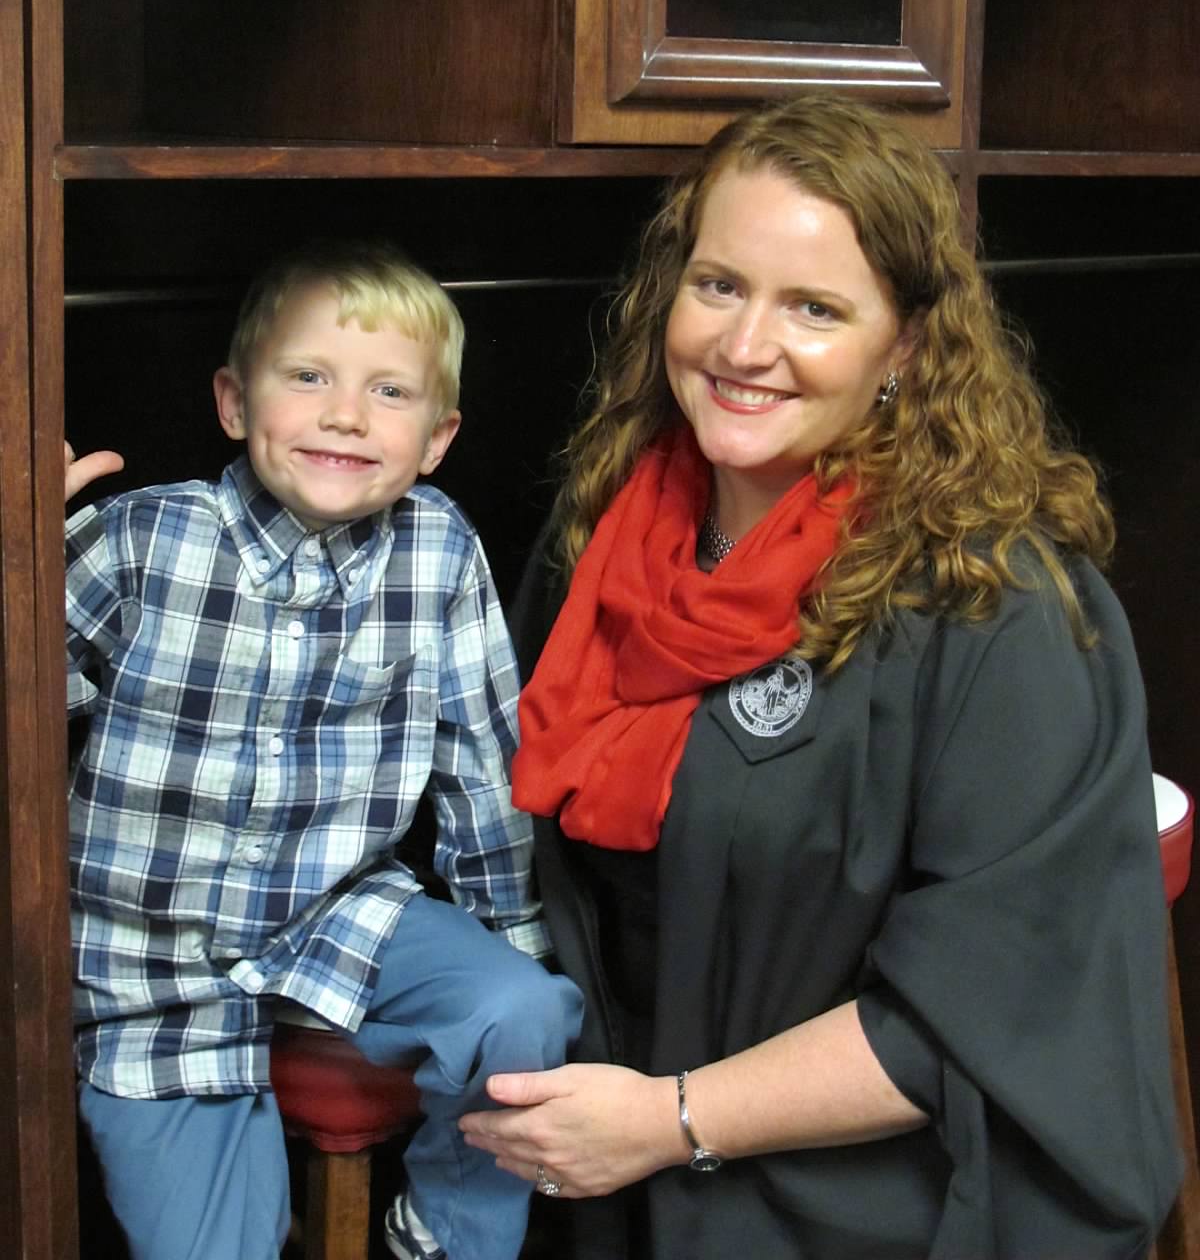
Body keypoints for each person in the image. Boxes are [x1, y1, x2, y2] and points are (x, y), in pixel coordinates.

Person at [457, 95, 1181, 1259]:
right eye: (719, 286)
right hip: (611, 1180)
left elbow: (993, 1008)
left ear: (904, 346)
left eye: (815, 308)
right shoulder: (601, 538)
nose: (745, 348)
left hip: (878, 1209)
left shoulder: (995, 605)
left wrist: (668, 1120)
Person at [64, 241, 583, 1260]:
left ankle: (435, 1232)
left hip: (332, 912)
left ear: (436, 439)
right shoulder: (139, 539)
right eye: (308, 377)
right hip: (151, 964)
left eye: (389, 391)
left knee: (520, 1010)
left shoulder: (437, 551)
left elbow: (483, 763)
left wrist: (512, 952)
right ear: (232, 400)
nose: (346, 413)